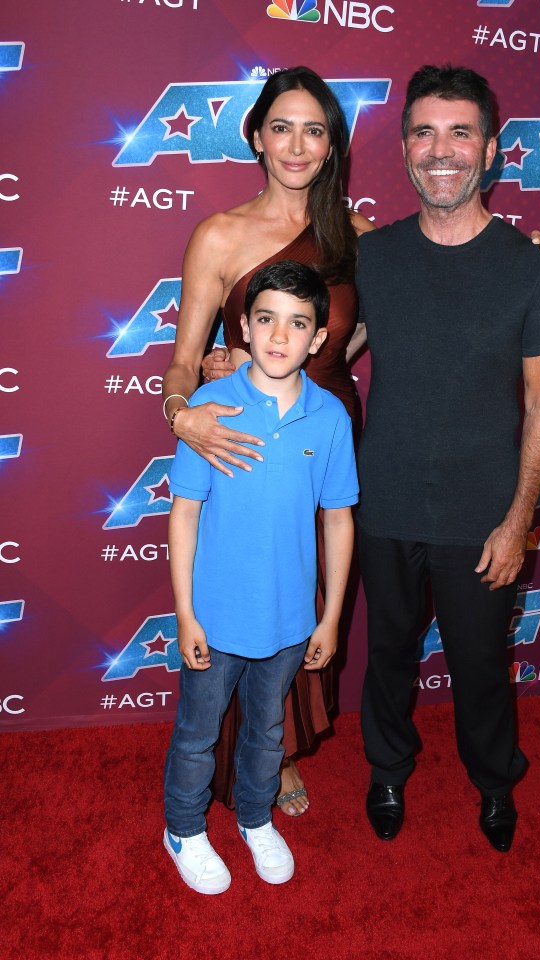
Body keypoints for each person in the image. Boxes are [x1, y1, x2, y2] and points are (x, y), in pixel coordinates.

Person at [162, 65, 540, 819]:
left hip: (365, 455)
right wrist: (197, 397)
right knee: (327, 624)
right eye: (280, 126)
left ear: (490, 149)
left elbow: (347, 344)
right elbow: (235, 352)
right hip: (295, 456)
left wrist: (533, 256)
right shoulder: (296, 243)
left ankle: (480, 782)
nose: (296, 144)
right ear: (255, 135)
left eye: (314, 129)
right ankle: (305, 762)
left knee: (425, 645)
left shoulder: (370, 243)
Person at [356, 65, 540, 854]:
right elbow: (324, 355)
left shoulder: (529, 266)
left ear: (491, 151)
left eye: (459, 132)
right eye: (423, 131)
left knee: (482, 666)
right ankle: (386, 769)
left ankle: (493, 783)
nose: (439, 149)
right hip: (382, 503)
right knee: (387, 658)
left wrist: (519, 521)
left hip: (484, 512)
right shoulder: (372, 257)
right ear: (405, 146)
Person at [163, 260, 358, 894]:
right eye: (266, 318)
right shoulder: (209, 407)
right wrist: (187, 613)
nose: (280, 335)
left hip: (291, 618)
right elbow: (185, 513)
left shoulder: (330, 417)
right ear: (243, 326)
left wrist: (328, 618)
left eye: (298, 323)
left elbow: (337, 519)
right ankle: (184, 828)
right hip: (216, 615)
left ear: (319, 340)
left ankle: (253, 817)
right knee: (197, 734)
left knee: (268, 729)